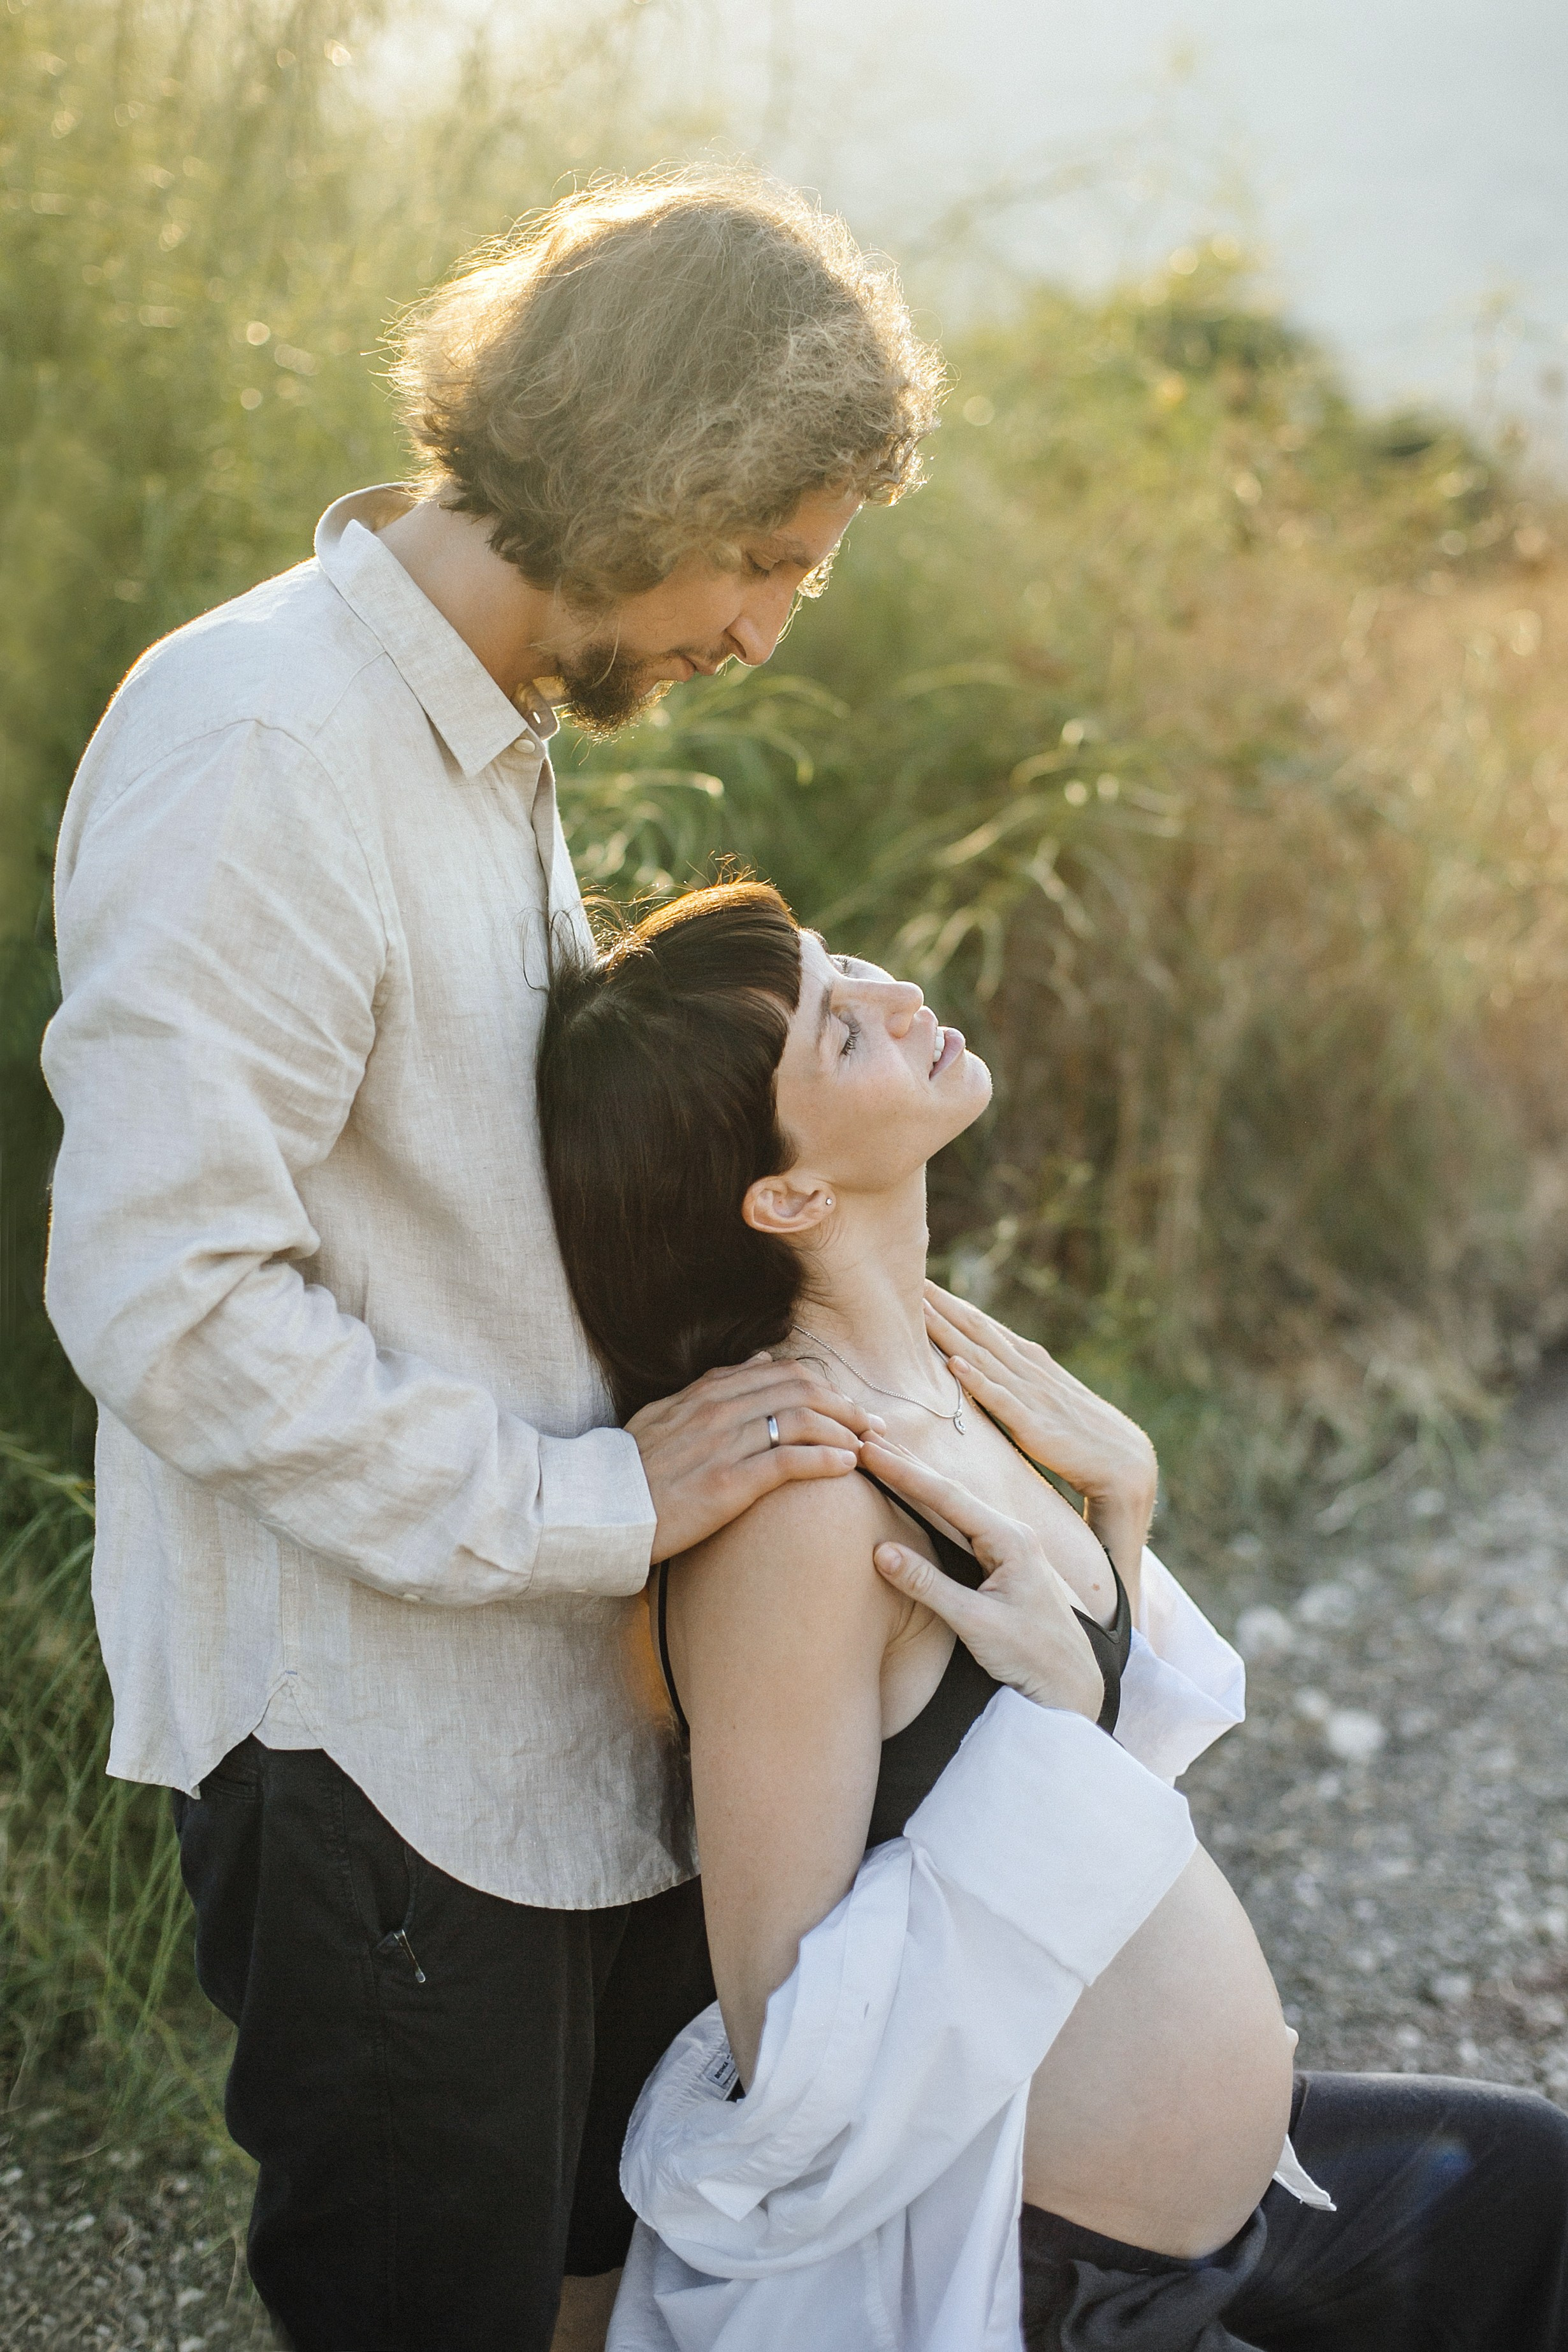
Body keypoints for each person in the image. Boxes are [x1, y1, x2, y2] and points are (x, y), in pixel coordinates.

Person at [40, 171, 943, 2352]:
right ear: (651, 474)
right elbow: (168, 1298)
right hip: (379, 1761)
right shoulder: (265, 739)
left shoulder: (483, 727)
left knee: (603, 2303)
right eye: (763, 560)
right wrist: (592, 1502)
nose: (762, 631)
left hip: (550, 1721)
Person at [538, 878, 1568, 2351]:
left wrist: (1124, 1507)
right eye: (842, 1032)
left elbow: (1098, 1787)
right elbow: (793, 2041)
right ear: (789, 1197)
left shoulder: (952, 1381)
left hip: (1230, 2200)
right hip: (1048, 2279)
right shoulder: (801, 1510)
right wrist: (1064, 1717)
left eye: (850, 965)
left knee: (1538, 2194)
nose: (897, 996)